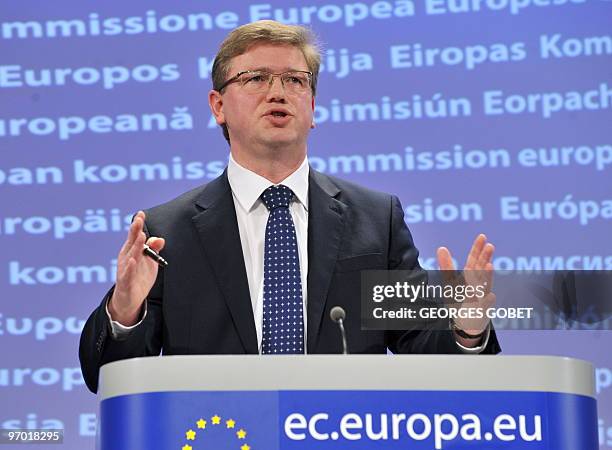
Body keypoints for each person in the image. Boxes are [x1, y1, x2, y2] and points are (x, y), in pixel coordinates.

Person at [79, 20, 500, 393]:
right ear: (218, 106)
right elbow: (107, 376)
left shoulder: (375, 218)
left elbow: (421, 346)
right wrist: (124, 311)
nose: (278, 92)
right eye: (256, 78)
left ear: (312, 108)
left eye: (295, 81)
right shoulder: (167, 230)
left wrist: (466, 330)